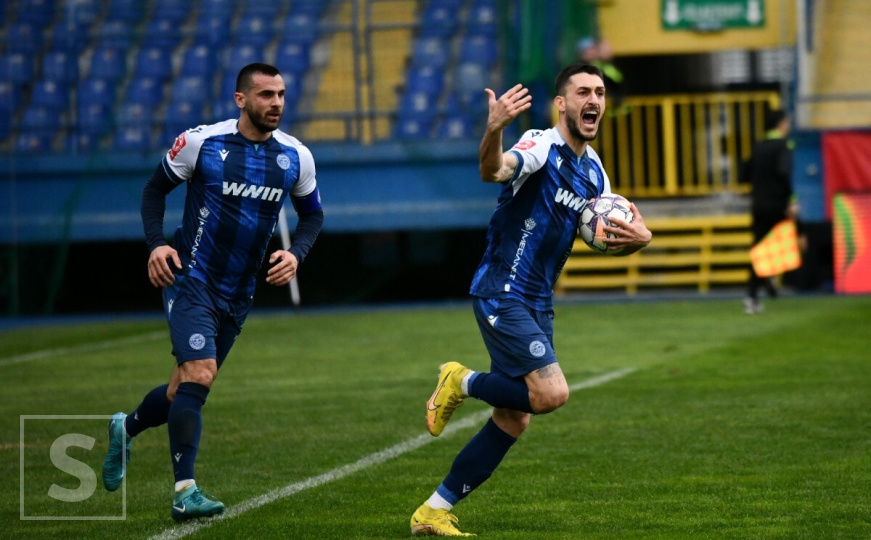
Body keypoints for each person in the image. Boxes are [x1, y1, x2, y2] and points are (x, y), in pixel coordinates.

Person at [410, 63, 652, 536]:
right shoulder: (541, 144)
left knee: (515, 417)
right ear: (561, 103)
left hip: (538, 301)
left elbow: (601, 230)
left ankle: (432, 511)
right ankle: (462, 380)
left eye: (600, 92)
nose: (594, 100)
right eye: (583, 91)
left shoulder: (594, 169)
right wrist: (494, 130)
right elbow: (493, 169)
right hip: (504, 289)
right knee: (552, 393)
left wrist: (639, 236)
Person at [101, 63, 324, 522]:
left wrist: (296, 253)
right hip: (191, 278)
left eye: (281, 94)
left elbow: (313, 215)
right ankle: (185, 491)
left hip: (239, 291)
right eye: (265, 95)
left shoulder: (296, 156)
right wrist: (157, 244)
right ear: (241, 100)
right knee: (200, 374)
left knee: (183, 386)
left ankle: (127, 426)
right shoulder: (203, 143)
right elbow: (153, 191)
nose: (277, 103)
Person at [742, 108, 797, 314]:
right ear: (781, 124)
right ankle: (768, 281)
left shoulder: (758, 146)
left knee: (759, 249)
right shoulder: (784, 145)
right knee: (782, 246)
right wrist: (791, 199)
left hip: (758, 205)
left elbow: (744, 173)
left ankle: (755, 294)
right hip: (777, 205)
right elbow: (784, 173)